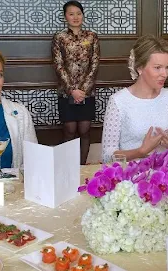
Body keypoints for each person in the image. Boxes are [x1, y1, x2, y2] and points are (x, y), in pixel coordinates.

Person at [101, 35, 168, 163]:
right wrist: (141, 151)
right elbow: (106, 156)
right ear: (140, 68)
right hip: (132, 178)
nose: (165, 74)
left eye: (167, 67)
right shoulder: (118, 101)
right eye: (158, 67)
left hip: (166, 176)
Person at [52, 0, 100, 165]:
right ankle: (68, 167)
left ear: (83, 15)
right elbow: (58, 65)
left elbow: (95, 64)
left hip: (88, 92)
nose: (75, 17)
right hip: (66, 92)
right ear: (65, 16)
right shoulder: (60, 37)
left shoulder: (92, 37)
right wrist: (72, 90)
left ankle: (82, 167)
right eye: (71, 14)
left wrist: (83, 90)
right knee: (70, 130)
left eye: (78, 13)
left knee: (85, 130)